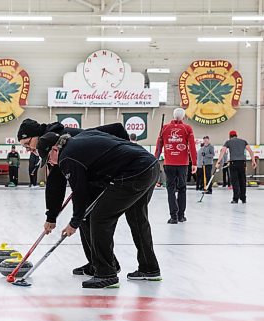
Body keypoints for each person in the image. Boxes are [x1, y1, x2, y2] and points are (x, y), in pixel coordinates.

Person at [37, 130, 161, 288]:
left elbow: (79, 193)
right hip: (150, 165)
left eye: (48, 159)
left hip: (134, 172)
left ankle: (106, 273)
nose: (52, 164)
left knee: (100, 218)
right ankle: (150, 269)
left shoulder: (67, 157)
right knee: (137, 218)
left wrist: (74, 223)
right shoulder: (77, 141)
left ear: (55, 149)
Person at [18, 118, 130, 277]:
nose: (28, 149)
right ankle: (95, 263)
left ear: (36, 135)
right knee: (84, 220)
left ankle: (108, 265)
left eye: (27, 144)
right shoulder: (48, 145)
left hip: (107, 177)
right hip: (89, 179)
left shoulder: (58, 140)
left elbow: (117, 128)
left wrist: (125, 156)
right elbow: (55, 183)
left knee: (91, 220)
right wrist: (51, 216)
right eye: (24, 146)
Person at [155, 108, 197, 224]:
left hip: (169, 164)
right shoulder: (187, 128)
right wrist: (194, 163)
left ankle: (173, 217)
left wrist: (155, 160)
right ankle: (181, 215)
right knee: (182, 189)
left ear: (173, 116)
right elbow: (192, 146)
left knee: (170, 190)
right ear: (183, 117)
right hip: (183, 164)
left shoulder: (165, 128)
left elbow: (159, 146)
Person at [215, 130, 257, 204]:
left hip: (233, 163)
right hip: (242, 163)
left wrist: (218, 162)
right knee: (242, 181)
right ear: (236, 135)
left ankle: (235, 199)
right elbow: (250, 151)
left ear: (230, 136)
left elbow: (223, 151)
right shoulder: (243, 141)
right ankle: (243, 198)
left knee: (235, 181)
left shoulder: (228, 142)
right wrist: (253, 161)